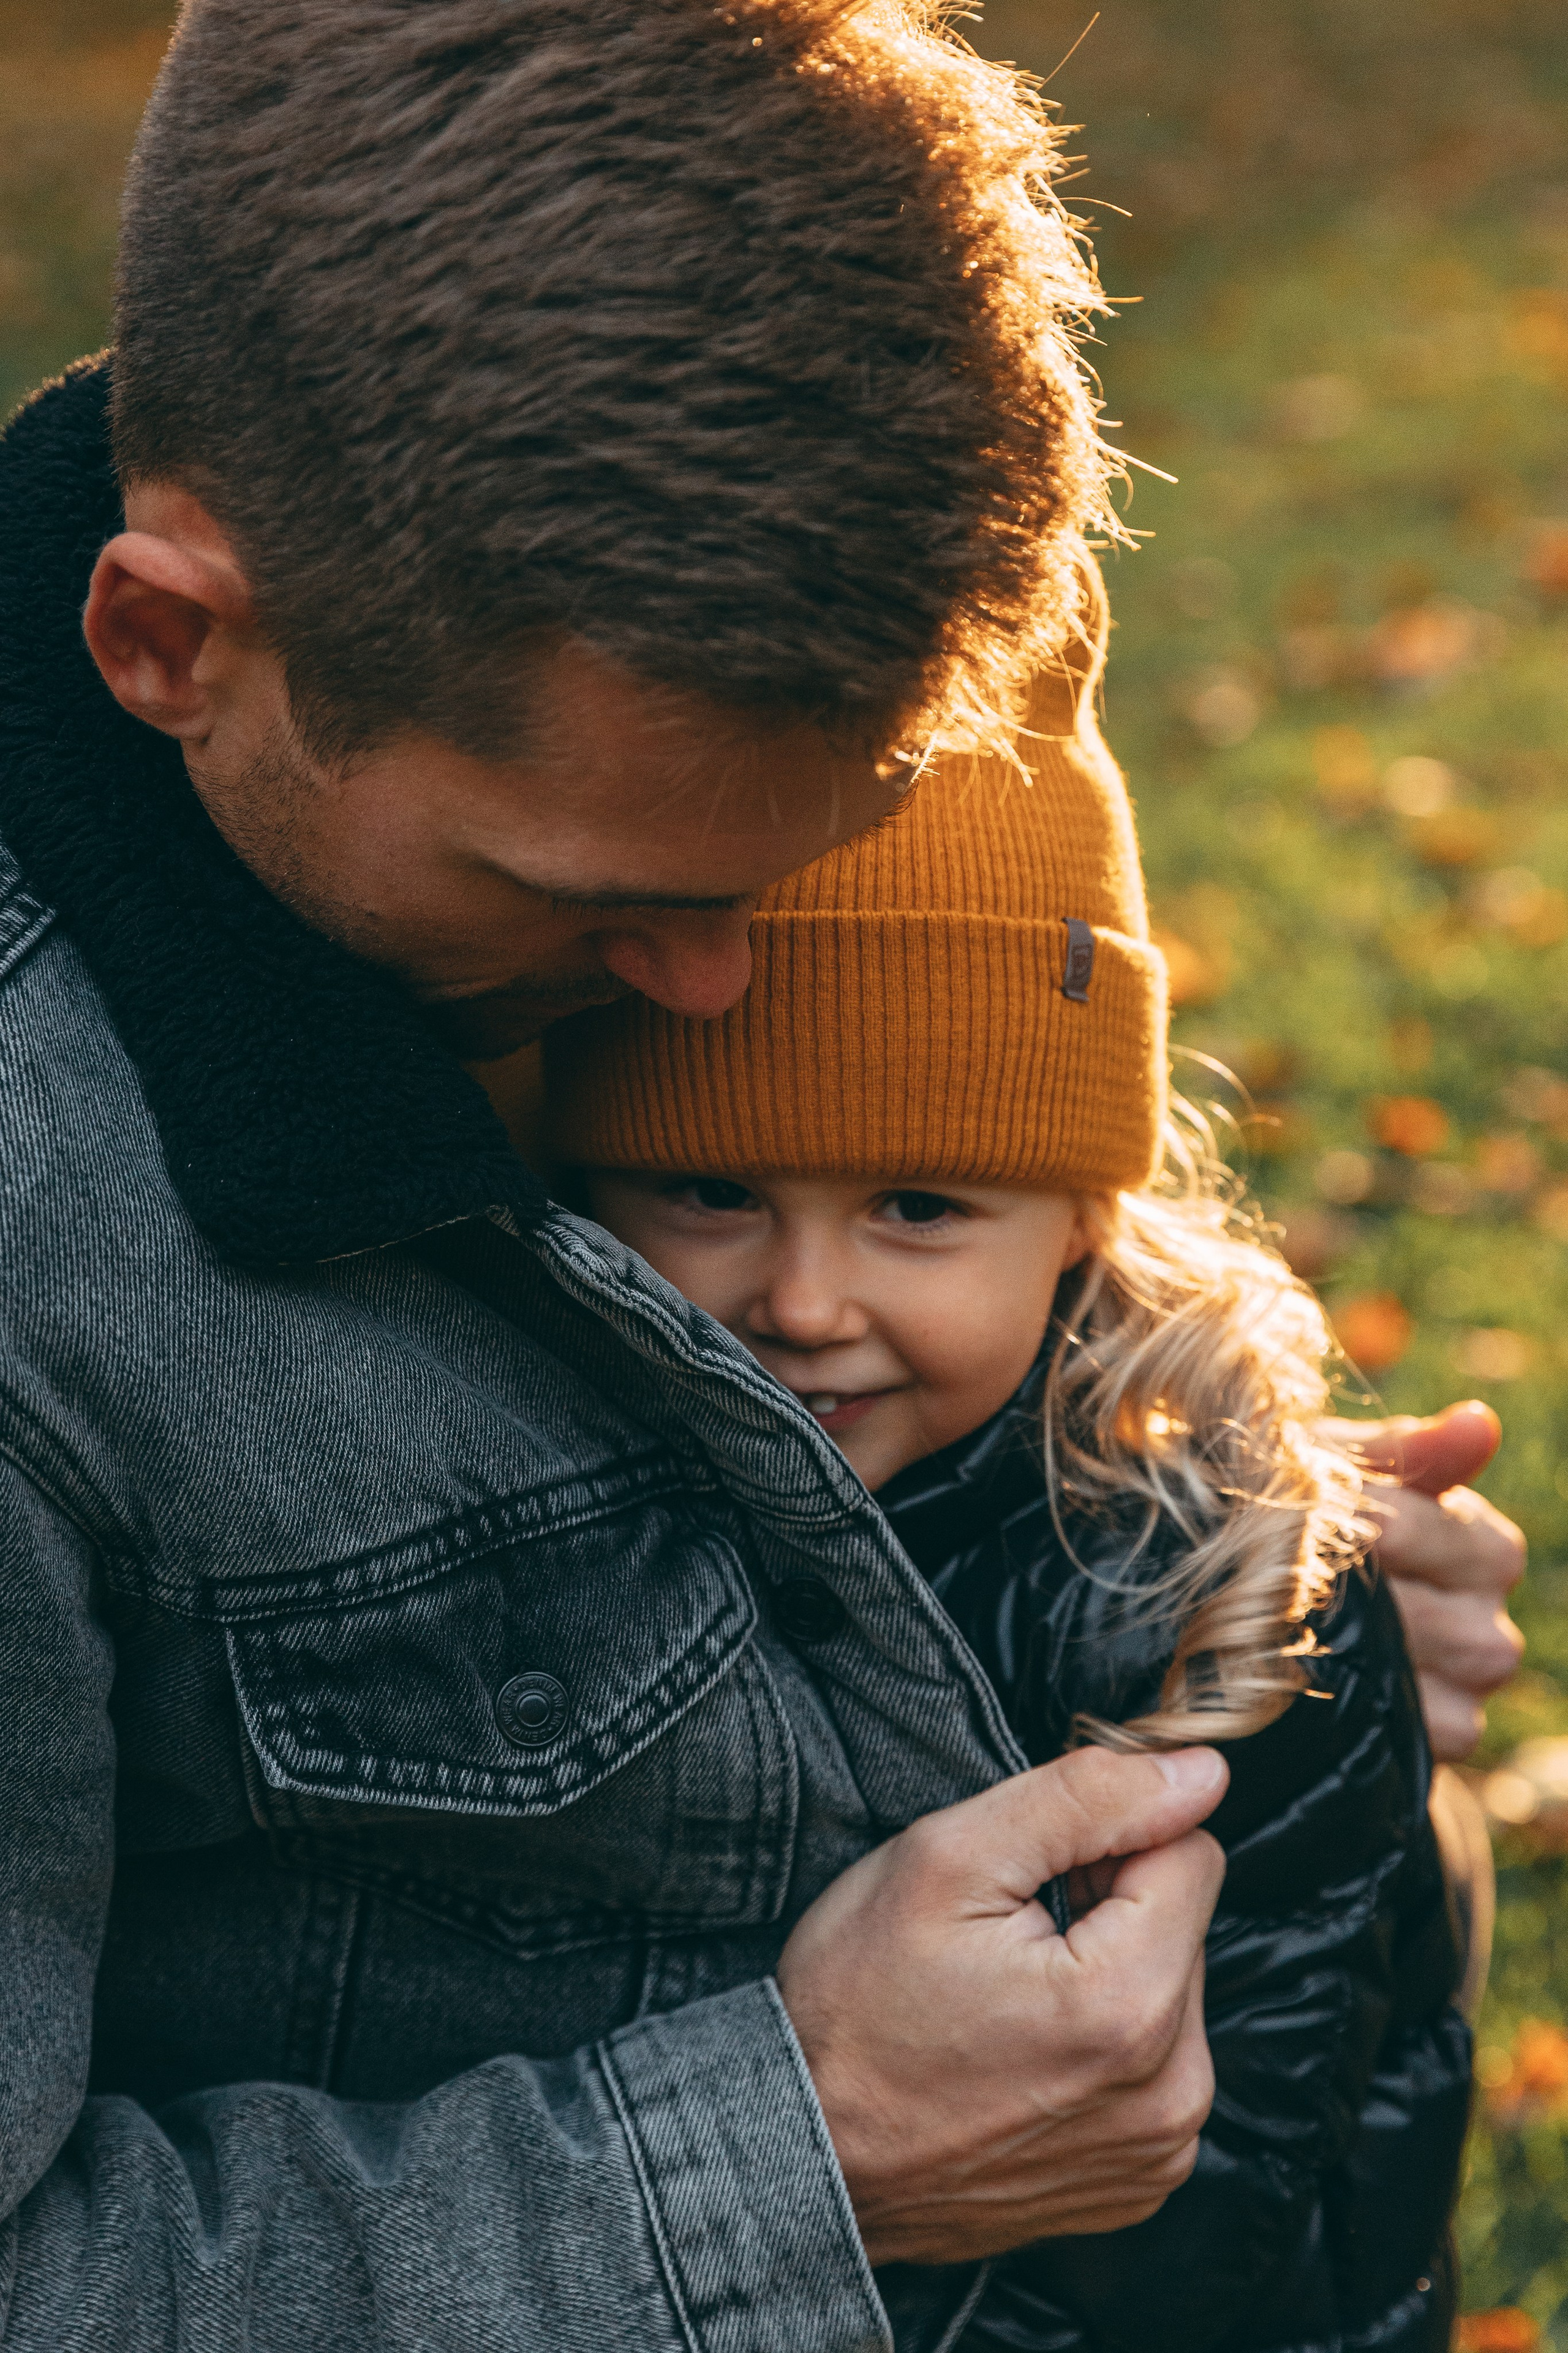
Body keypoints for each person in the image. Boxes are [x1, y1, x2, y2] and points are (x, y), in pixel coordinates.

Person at [0, 3, 1519, 2347]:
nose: (714, 994)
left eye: (798, 858)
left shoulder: (475, 801)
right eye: (589, 889)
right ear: (167, 641)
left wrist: (1218, 1589)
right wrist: (803, 2149)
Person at [540, 608, 1473, 2350]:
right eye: (707, 1193)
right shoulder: (536, 1492)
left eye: (918, 1205)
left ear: (1078, 1224)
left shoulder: (1218, 1593)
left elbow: (1242, 2154)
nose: (805, 1305)